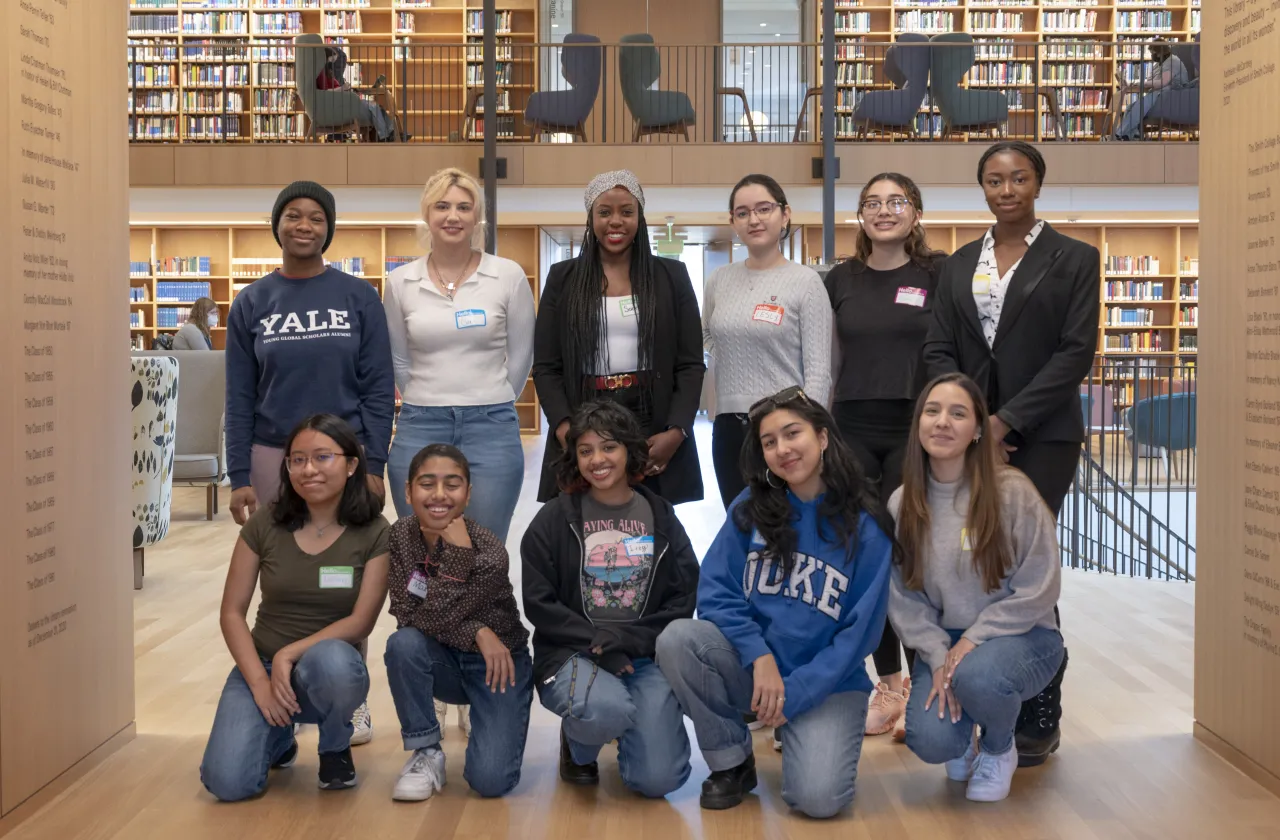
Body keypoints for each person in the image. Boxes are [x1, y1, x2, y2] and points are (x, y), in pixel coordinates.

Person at [923, 141, 1098, 766]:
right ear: (982, 188)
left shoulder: (1075, 257)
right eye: (994, 180)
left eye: (1018, 178)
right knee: (974, 560)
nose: (1006, 189)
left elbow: (1075, 352)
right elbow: (939, 346)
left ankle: (1038, 703)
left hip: (1044, 435)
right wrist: (970, 420)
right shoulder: (959, 263)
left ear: (1037, 184)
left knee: (1030, 563)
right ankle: (980, 689)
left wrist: (1007, 421)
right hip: (968, 438)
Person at [656, 386, 893, 818]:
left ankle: (805, 733)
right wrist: (759, 655)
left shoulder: (866, 523)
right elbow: (716, 590)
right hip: (757, 672)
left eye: (792, 434)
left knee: (817, 801)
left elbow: (859, 636)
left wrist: (796, 694)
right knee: (679, 639)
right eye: (769, 442)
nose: (782, 449)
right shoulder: (752, 505)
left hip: (827, 685)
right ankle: (732, 762)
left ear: (822, 437)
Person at [225, 181, 394, 744]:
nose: (304, 225)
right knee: (286, 570)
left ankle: (351, 698)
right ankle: (281, 688)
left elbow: (378, 385)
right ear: (277, 225)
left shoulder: (358, 297)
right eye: (292, 215)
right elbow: (238, 395)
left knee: (347, 572)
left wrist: (374, 462)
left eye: (316, 217)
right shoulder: (253, 302)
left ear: (329, 228)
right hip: (277, 455)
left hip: (346, 453)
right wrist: (240, 474)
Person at [888, 373, 1064, 803]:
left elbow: (1041, 585)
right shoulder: (902, 502)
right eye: (932, 411)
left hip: (1022, 638)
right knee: (932, 741)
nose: (942, 422)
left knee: (978, 677)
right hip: (945, 643)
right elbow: (905, 600)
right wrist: (936, 655)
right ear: (918, 425)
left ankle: (999, 746)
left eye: (958, 413)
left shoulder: (1012, 493)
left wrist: (972, 640)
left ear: (978, 431)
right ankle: (962, 735)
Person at [199, 414, 389, 801]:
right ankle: (279, 736)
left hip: (329, 668)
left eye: (323, 457)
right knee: (227, 783)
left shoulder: (374, 530)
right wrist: (260, 682)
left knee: (332, 660)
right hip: (264, 665)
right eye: (297, 460)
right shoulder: (267, 523)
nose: (309, 470)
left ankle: (335, 747)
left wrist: (290, 654)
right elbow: (232, 612)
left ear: (352, 464)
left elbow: (361, 622)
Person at [520, 401, 699, 797]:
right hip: (571, 652)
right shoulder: (554, 518)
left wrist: (629, 643)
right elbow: (539, 603)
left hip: (642, 656)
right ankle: (580, 744)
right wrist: (599, 644)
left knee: (660, 780)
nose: (597, 460)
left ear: (630, 451)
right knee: (606, 709)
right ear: (574, 458)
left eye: (609, 447)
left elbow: (682, 599)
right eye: (585, 451)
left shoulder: (661, 516)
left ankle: (614, 730)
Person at [824, 172, 946, 739]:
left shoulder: (937, 273)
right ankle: (890, 682)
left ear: (915, 212)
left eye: (896, 200)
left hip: (915, 428)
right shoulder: (840, 280)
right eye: (872, 203)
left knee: (914, 554)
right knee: (865, 558)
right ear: (860, 217)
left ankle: (927, 683)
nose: (884, 210)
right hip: (850, 425)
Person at [532, 169, 705, 506]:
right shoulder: (562, 279)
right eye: (605, 212)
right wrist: (565, 428)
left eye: (627, 211)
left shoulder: (671, 277)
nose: (616, 221)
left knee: (652, 524)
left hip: (651, 416)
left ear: (640, 217)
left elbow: (690, 364)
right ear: (591, 217)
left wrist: (676, 431)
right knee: (585, 524)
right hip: (584, 415)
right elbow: (546, 367)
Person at [384, 168, 534, 543]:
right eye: (443, 206)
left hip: (492, 427)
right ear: (427, 215)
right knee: (422, 545)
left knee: (483, 546)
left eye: (464, 207)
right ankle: (428, 607)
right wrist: (428, 396)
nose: (453, 216)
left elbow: (521, 357)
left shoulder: (508, 275)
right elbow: (399, 360)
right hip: (420, 423)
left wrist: (489, 397)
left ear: (476, 216)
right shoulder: (400, 282)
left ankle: (480, 607)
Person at [383, 444, 532, 802]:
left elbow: (435, 615)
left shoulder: (490, 552)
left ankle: (487, 713)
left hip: (497, 664)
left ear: (468, 493)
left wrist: (461, 556)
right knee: (403, 644)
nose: (438, 495)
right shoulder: (401, 536)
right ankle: (426, 751)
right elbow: (409, 615)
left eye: (452, 484)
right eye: (426, 483)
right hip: (443, 659)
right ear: (407, 491)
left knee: (491, 782)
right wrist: (479, 631)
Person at [704, 173, 832, 510]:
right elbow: (707, 333)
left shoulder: (805, 282)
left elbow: (820, 371)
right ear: (733, 221)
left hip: (786, 430)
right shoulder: (719, 280)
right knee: (741, 525)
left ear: (785, 214)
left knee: (787, 527)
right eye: (743, 212)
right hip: (730, 427)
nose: (754, 219)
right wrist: (736, 356)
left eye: (764, 209)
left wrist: (807, 432)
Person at [318, 45, 404, 142]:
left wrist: (346, 89)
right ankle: (385, 136)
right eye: (331, 61)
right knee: (374, 107)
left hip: (346, 99)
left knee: (378, 108)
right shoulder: (322, 75)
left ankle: (391, 133)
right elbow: (324, 92)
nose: (332, 65)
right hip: (343, 103)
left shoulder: (330, 74)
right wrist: (342, 88)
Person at [1112, 41, 1191, 141]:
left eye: (1153, 52)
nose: (1152, 55)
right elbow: (1149, 85)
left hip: (1172, 94)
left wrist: (1142, 83)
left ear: (1160, 52)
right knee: (1129, 108)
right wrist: (1131, 87)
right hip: (1158, 92)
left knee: (1142, 104)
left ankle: (1120, 133)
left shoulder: (1173, 61)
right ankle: (1131, 136)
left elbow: (1163, 82)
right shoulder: (1157, 66)